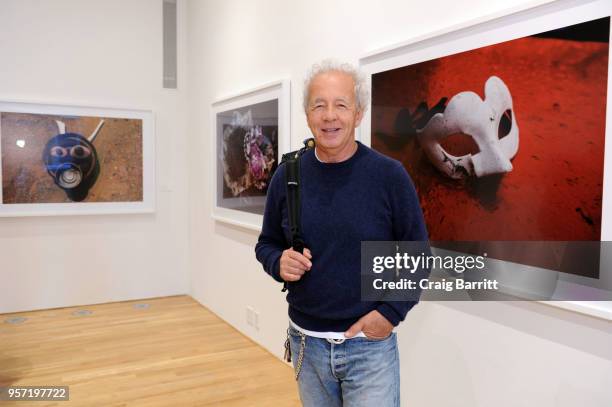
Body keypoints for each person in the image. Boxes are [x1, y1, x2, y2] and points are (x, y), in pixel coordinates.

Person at [255, 60, 428, 407]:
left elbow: (417, 256)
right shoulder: (287, 176)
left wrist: (389, 314)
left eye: (341, 105)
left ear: (359, 113)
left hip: (369, 349)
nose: (329, 116)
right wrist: (278, 261)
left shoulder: (388, 176)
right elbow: (267, 243)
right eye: (319, 105)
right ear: (307, 114)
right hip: (307, 344)